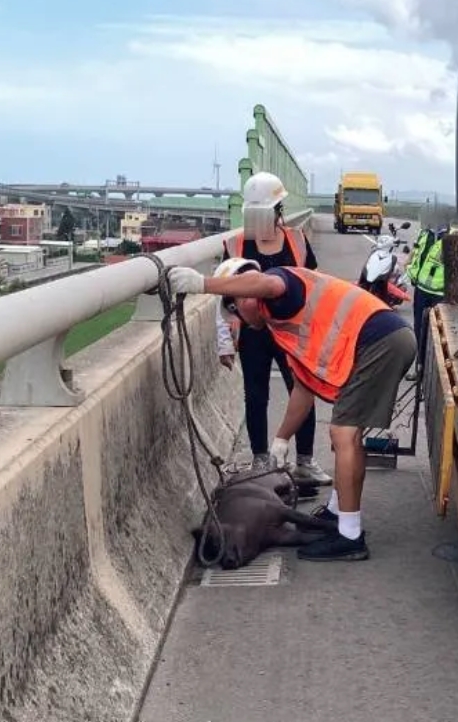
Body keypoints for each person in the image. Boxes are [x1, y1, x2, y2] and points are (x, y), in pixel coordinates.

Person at [167, 259, 417, 562]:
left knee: (344, 434)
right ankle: (338, 514)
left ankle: (350, 536)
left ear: (245, 298)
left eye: (234, 309)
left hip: (379, 342)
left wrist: (201, 284)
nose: (242, 322)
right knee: (344, 434)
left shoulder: (281, 288)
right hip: (382, 340)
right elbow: (303, 388)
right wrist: (281, 440)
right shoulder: (281, 324)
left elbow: (266, 284)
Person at [216, 171, 331, 490]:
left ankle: (305, 461)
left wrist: (317, 329)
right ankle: (261, 460)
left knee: (303, 390)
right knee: (255, 395)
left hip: (292, 332)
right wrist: (224, 340)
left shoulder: (295, 239)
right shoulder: (236, 244)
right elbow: (224, 295)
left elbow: (314, 283)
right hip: (254, 333)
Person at [401, 222, 447, 381]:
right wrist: (408, 265)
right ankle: (420, 369)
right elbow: (416, 255)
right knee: (420, 330)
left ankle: (439, 374)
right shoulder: (424, 234)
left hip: (440, 294)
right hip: (421, 290)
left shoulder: (451, 238)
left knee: (440, 336)